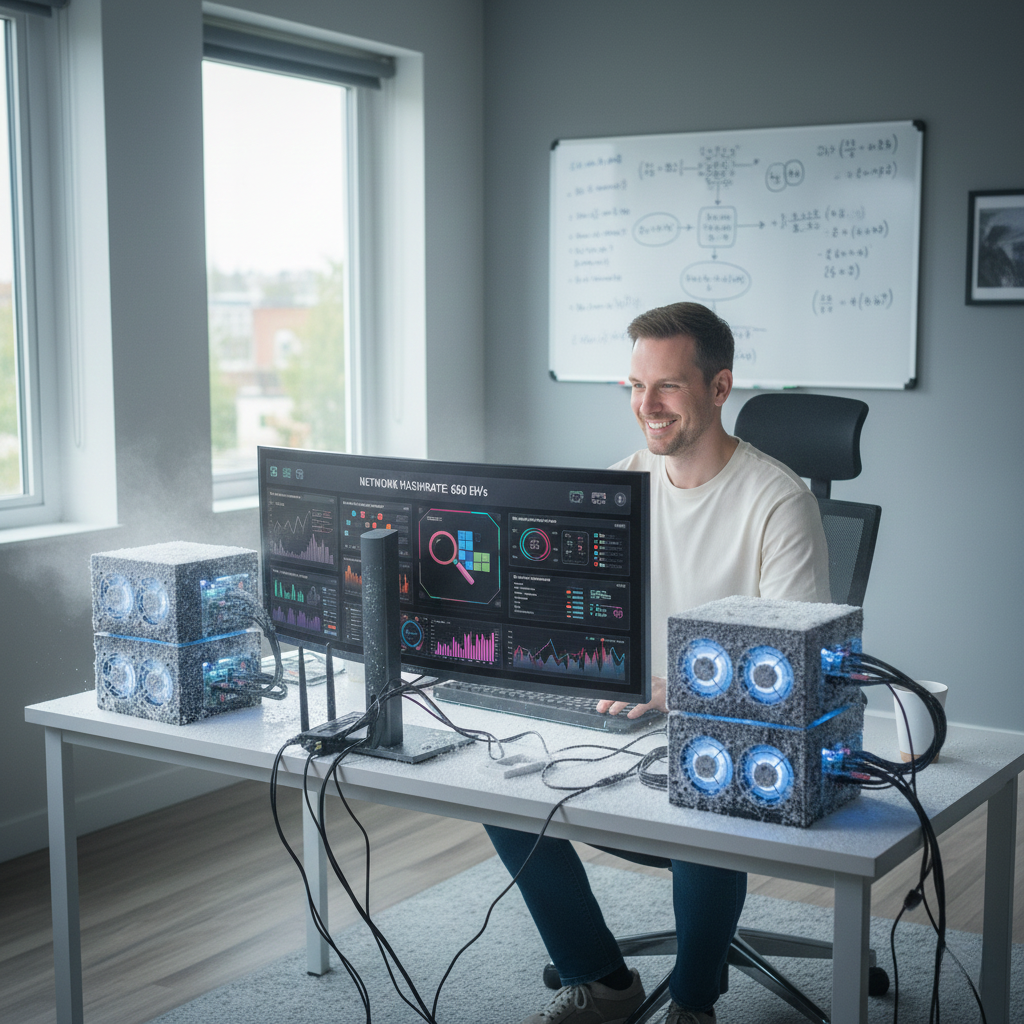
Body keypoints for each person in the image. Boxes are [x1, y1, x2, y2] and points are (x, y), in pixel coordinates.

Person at [486, 301, 831, 1024]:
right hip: (627, 723)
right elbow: (575, 623)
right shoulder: (619, 486)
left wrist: (676, 692)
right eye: (635, 386)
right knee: (495, 785)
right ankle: (602, 979)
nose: (647, 406)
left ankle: (694, 1005)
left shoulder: (779, 502)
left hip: (729, 741)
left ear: (718, 387)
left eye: (668, 386)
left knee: (706, 801)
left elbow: (796, 675)